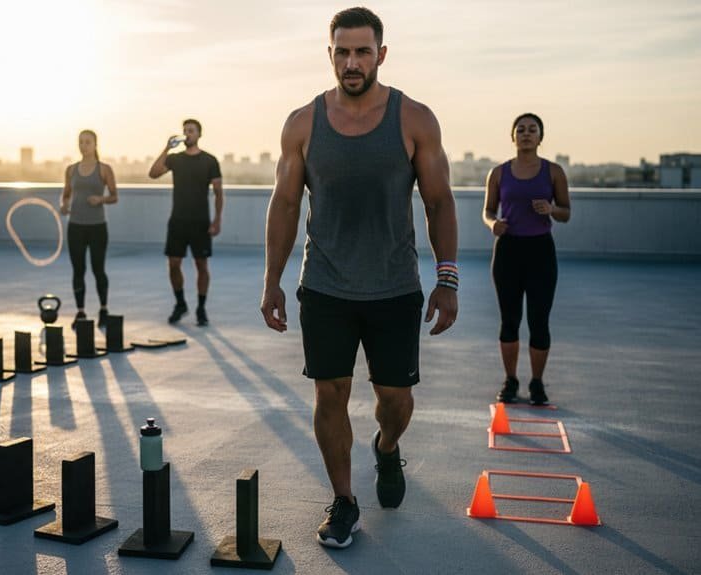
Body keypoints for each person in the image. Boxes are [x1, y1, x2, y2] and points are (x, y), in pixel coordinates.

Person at [260, 7, 458, 549]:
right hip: (324, 285)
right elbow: (283, 203)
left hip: (394, 287)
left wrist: (448, 279)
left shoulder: (414, 118)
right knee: (331, 394)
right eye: (342, 52)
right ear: (330, 55)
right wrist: (272, 279)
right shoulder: (302, 123)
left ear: (381, 55)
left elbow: (439, 203)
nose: (352, 63)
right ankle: (344, 500)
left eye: (362, 52)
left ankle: (388, 448)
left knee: (395, 401)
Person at [483, 113, 570, 405]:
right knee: (509, 320)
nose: (526, 133)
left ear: (540, 137)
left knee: (538, 321)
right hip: (508, 251)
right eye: (520, 129)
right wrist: (492, 224)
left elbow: (566, 212)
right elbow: (488, 212)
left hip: (541, 252)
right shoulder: (498, 173)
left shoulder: (554, 172)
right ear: (513, 136)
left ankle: (537, 383)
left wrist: (550, 209)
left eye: (532, 129)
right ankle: (510, 380)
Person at [148, 119, 223, 326]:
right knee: (173, 264)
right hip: (177, 221)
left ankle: (201, 307)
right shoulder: (175, 159)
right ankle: (180, 303)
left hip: (200, 222)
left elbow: (218, 193)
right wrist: (166, 147)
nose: (187, 134)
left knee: (201, 265)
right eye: (185, 131)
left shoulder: (210, 160)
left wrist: (217, 219)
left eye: (191, 131)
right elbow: (153, 173)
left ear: (199, 134)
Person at [60, 129, 118, 327]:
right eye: (81, 142)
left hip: (97, 227)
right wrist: (64, 205)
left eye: (87, 142)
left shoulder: (104, 169)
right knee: (78, 270)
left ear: (95, 145)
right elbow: (66, 193)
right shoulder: (71, 169)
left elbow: (114, 196)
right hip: (75, 226)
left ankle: (103, 309)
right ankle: (81, 312)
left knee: (98, 268)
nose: (83, 145)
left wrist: (100, 199)